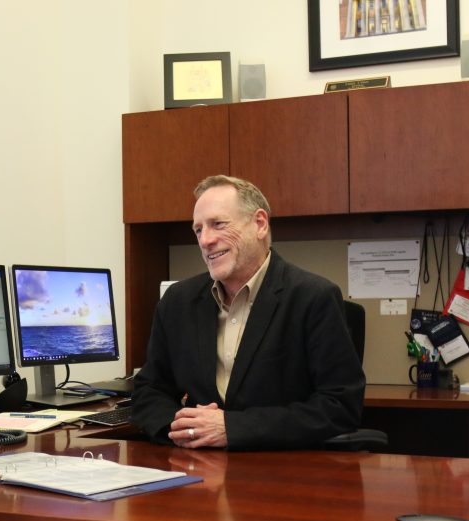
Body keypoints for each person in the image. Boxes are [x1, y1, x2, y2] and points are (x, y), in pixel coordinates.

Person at [131, 175, 365, 451]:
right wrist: (186, 428)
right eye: (198, 230)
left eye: (218, 224)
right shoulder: (177, 302)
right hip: (198, 470)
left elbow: (339, 406)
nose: (205, 240)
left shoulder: (313, 297)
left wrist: (232, 428)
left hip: (280, 470)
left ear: (260, 224)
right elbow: (149, 390)